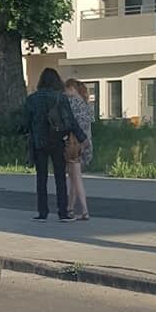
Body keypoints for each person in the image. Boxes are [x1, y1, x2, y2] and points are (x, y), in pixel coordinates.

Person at [23, 67, 87, 222]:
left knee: (41, 178)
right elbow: (70, 120)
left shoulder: (32, 99)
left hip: (39, 142)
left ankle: (42, 212)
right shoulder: (60, 98)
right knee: (60, 177)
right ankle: (63, 211)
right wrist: (82, 137)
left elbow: (25, 122)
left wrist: (24, 133)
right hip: (57, 140)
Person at [65, 78, 93, 221]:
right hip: (86, 143)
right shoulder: (86, 104)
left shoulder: (71, 103)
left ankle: (84, 210)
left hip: (74, 144)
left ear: (71, 88)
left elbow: (69, 124)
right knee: (74, 178)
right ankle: (70, 208)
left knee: (76, 179)